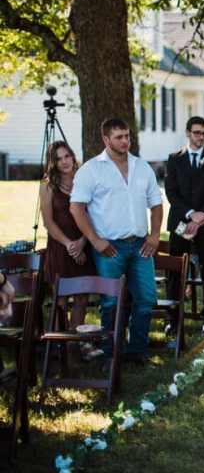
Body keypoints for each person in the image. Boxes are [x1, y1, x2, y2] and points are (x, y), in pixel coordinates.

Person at [70, 118, 162, 364]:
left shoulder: (142, 167)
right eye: (119, 137)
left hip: (141, 244)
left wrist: (154, 236)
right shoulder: (91, 169)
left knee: (146, 298)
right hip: (109, 247)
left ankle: (136, 352)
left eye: (127, 136)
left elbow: (156, 204)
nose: (125, 141)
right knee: (110, 302)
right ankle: (111, 353)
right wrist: (95, 240)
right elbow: (77, 208)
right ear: (106, 139)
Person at [39, 141, 101, 361]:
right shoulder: (47, 186)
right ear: (53, 163)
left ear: (73, 157)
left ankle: (77, 344)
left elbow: (94, 215)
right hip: (59, 246)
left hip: (84, 242)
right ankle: (56, 348)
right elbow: (48, 222)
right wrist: (69, 245)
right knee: (61, 300)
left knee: (82, 298)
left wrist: (83, 242)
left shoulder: (85, 180)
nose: (64, 161)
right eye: (59, 158)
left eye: (67, 156)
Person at [165, 117, 204, 337]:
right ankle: (173, 319)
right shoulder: (174, 159)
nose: (201, 137)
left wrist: (199, 219)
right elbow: (171, 192)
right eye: (197, 132)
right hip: (180, 223)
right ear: (188, 133)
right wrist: (190, 215)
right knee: (175, 270)